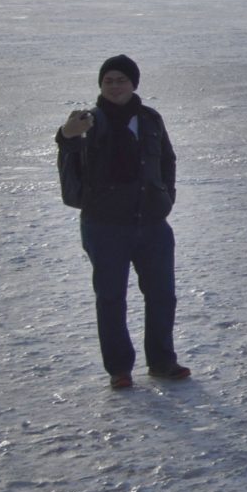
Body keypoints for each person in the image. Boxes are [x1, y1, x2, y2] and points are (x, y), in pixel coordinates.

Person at [56, 55, 188, 389]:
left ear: (134, 83)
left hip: (152, 223)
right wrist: (67, 136)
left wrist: (165, 198)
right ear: (101, 85)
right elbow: (69, 150)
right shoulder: (88, 120)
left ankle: (162, 362)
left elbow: (167, 161)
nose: (115, 86)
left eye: (121, 80)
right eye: (109, 81)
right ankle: (119, 369)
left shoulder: (150, 119)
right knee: (111, 297)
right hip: (104, 225)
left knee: (163, 295)